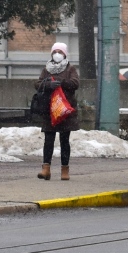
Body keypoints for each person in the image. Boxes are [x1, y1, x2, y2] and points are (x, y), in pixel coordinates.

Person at [35, 41, 79, 181]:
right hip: (49, 110)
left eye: (60, 52)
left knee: (64, 140)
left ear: (65, 54)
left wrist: (61, 83)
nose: (57, 55)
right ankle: (45, 168)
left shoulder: (70, 68)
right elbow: (37, 84)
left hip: (65, 110)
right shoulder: (46, 68)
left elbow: (75, 83)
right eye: (55, 52)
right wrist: (48, 84)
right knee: (49, 139)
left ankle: (64, 170)